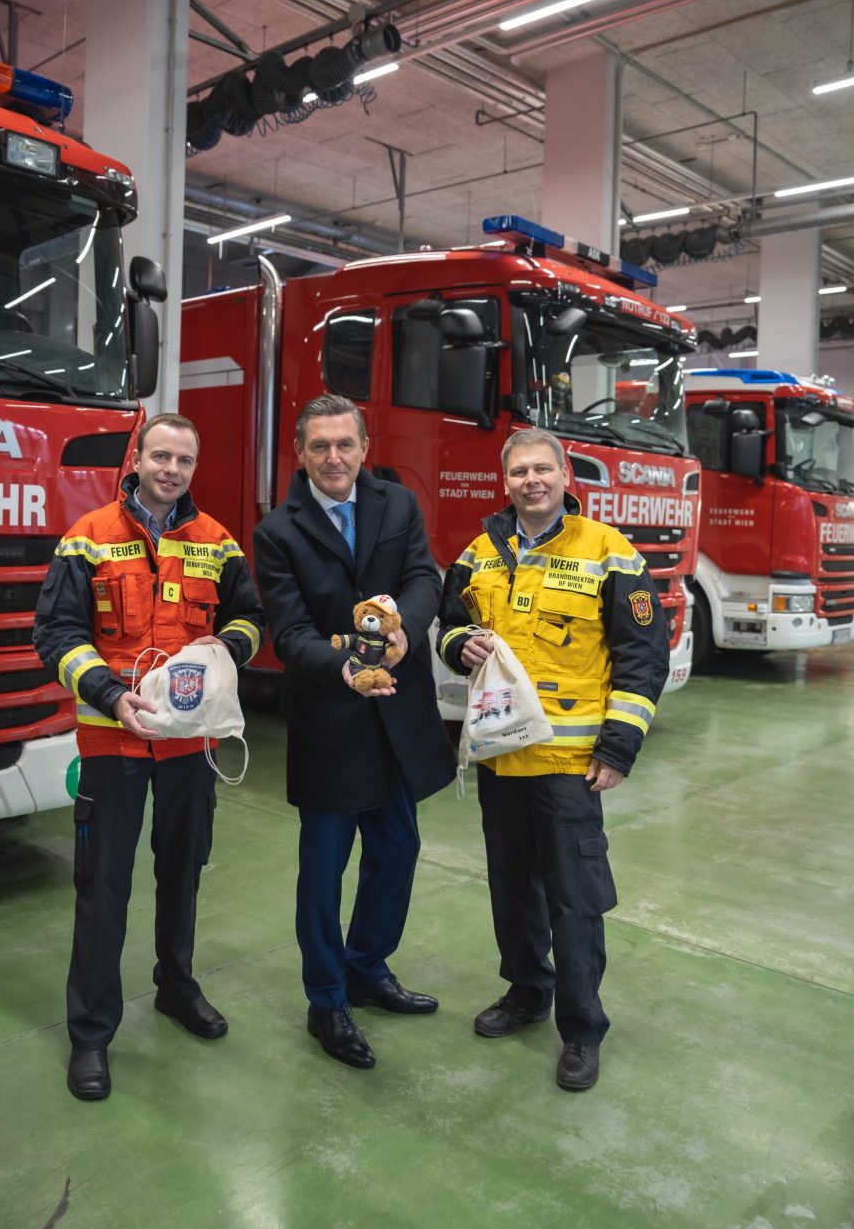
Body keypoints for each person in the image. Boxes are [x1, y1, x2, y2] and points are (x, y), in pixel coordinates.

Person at [34, 412, 263, 1101]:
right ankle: (92, 1034)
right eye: (160, 456)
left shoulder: (216, 542)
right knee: (103, 887)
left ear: (194, 468)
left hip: (189, 745)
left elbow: (247, 618)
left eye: (184, 460)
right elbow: (55, 632)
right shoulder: (89, 538)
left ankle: (177, 987)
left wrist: (230, 649)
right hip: (113, 737)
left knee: (183, 870)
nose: (170, 469)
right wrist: (106, 691)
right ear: (137, 458)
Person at [437, 428, 668, 1092]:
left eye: (542, 469)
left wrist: (619, 745)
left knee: (574, 901)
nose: (531, 481)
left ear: (565, 476)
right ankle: (526, 992)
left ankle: (582, 1028)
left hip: (570, 766)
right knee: (511, 890)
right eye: (519, 472)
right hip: (501, 759)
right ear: (504, 481)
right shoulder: (479, 553)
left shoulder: (608, 552)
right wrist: (460, 646)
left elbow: (643, 654)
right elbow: (449, 625)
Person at [252, 394, 456, 1070]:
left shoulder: (396, 505)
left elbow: (424, 576)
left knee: (398, 849)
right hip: (332, 721)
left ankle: (367, 967)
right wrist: (346, 667)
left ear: (364, 447)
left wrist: (403, 633)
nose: (334, 457)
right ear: (301, 454)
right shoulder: (278, 532)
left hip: (397, 714)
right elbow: (289, 634)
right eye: (320, 447)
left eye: (345, 444)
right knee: (324, 871)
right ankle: (326, 1000)